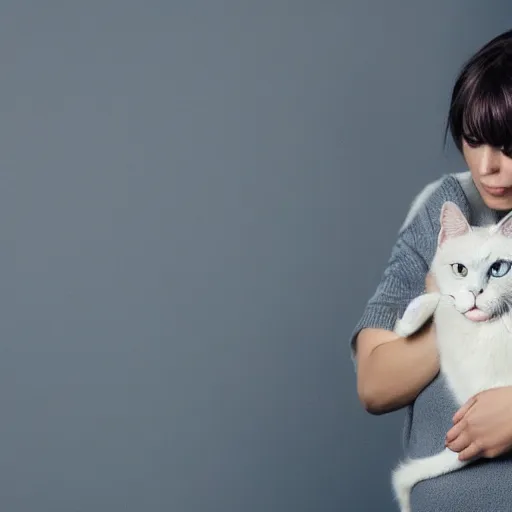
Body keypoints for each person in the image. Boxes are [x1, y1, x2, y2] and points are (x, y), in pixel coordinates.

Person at [352, 28, 512, 511]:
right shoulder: (444, 208)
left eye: (510, 146)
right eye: (473, 140)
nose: (488, 167)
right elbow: (376, 383)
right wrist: (454, 306)